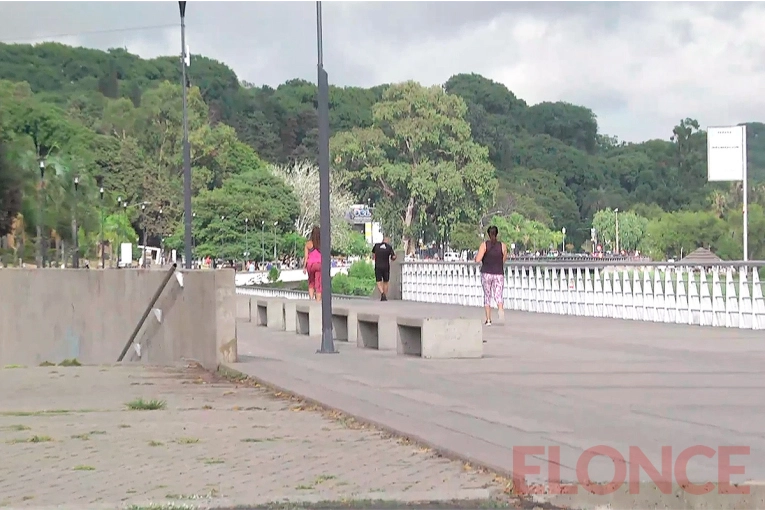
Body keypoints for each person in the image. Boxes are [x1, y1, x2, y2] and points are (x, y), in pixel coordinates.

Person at [475, 225, 507, 327]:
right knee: (498, 294)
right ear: (497, 234)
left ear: (488, 234)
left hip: (487, 273)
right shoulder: (503, 246)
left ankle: (488, 320)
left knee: (487, 296)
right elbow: (503, 260)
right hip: (498, 273)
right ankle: (500, 309)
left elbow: (478, 259)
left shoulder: (484, 245)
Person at [372, 236, 396, 301]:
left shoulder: (376, 246)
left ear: (382, 240)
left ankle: (382, 293)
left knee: (378, 281)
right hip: (386, 267)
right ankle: (384, 296)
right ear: (387, 241)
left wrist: (375, 259)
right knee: (386, 281)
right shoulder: (389, 247)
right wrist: (393, 258)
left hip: (378, 266)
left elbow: (373, 254)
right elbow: (393, 257)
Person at [304, 226, 322, 301]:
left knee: (311, 282)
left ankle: (311, 299)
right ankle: (318, 301)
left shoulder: (308, 244)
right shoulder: (322, 244)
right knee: (318, 284)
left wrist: (304, 267)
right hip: (318, 265)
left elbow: (306, 257)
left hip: (310, 265)